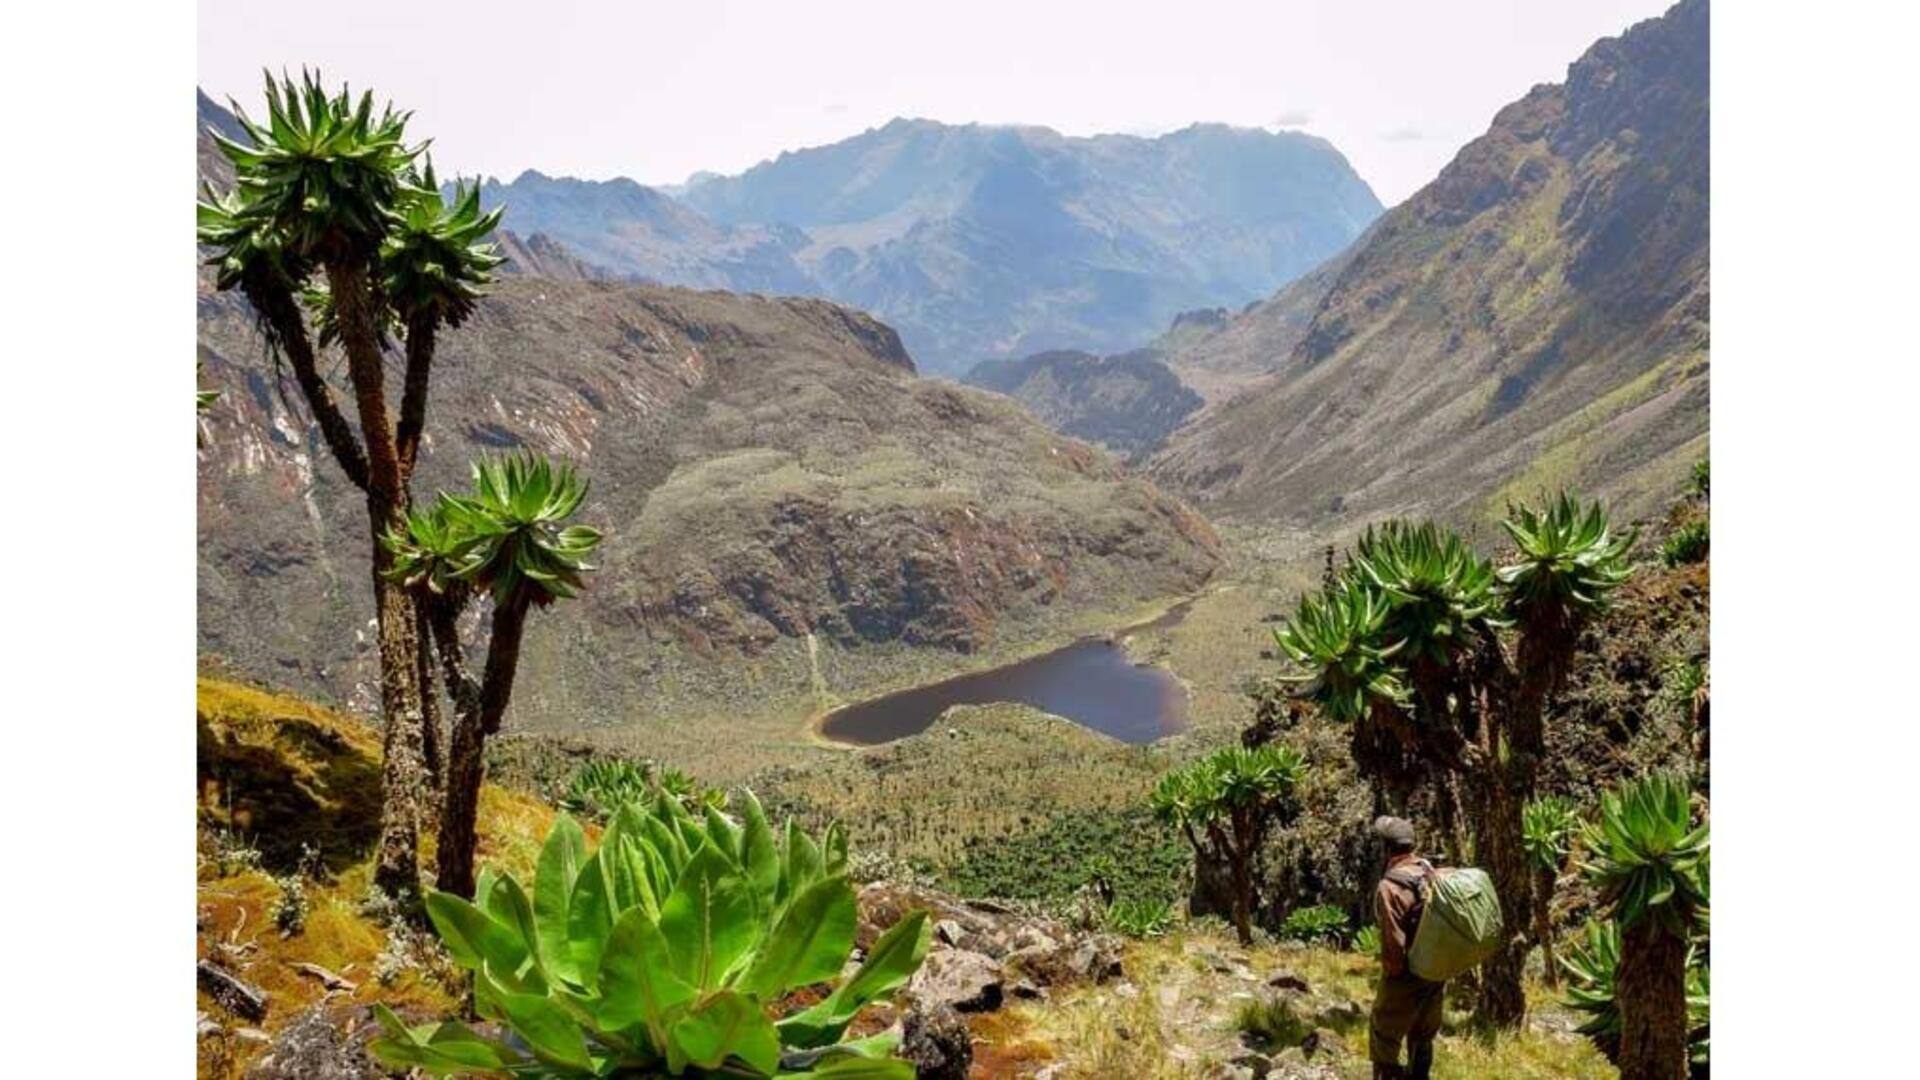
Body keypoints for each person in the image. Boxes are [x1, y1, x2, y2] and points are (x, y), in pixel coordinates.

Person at [1369, 815, 1444, 1080]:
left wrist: (1393, 976)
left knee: (1383, 1032)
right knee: (1423, 1034)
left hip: (1406, 973)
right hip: (1435, 970)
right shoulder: (1429, 871)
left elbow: (1393, 943)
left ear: (1387, 849)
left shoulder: (1389, 886)